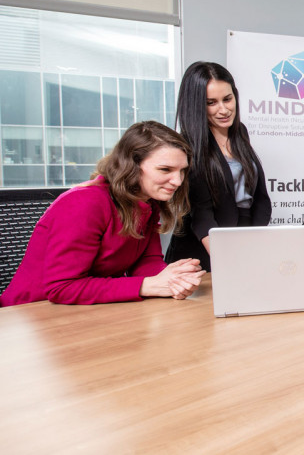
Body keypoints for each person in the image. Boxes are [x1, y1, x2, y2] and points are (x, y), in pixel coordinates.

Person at [0, 122, 205, 306]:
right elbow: (62, 287)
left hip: (86, 312)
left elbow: (146, 262)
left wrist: (174, 279)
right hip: (30, 315)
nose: (177, 181)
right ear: (131, 166)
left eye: (182, 171)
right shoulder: (84, 203)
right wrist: (149, 286)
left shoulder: (148, 202)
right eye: (165, 169)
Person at [165, 62, 272, 271]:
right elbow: (201, 214)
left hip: (241, 237)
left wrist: (256, 242)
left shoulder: (239, 132)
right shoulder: (187, 146)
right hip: (203, 249)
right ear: (196, 105)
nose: (224, 110)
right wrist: (228, 260)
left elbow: (258, 197)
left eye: (228, 99)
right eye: (211, 102)